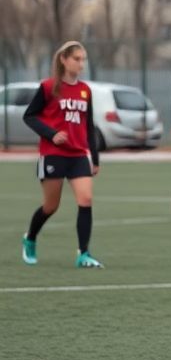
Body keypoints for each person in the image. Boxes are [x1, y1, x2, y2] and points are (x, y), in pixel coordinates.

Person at [20, 41, 103, 269]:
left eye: (83, 59)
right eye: (77, 59)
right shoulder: (48, 87)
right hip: (53, 154)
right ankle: (30, 238)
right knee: (50, 206)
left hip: (78, 156)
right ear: (64, 60)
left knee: (85, 200)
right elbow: (29, 116)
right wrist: (51, 133)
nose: (81, 63)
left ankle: (83, 254)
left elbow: (88, 125)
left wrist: (94, 158)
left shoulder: (85, 90)